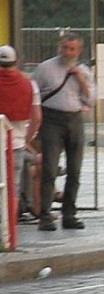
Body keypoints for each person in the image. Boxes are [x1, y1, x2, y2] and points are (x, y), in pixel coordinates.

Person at [32, 33, 93, 232]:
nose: (67, 52)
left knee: (74, 170)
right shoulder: (45, 68)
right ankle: (45, 215)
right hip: (51, 119)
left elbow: (91, 100)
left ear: (79, 51)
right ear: (59, 47)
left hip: (74, 119)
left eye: (71, 49)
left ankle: (69, 214)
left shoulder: (83, 70)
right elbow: (33, 94)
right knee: (49, 168)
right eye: (64, 48)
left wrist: (80, 78)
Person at [0, 45, 41, 222]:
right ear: (16, 62)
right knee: (13, 186)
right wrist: (26, 139)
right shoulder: (29, 84)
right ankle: (9, 226)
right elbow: (37, 117)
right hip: (15, 143)